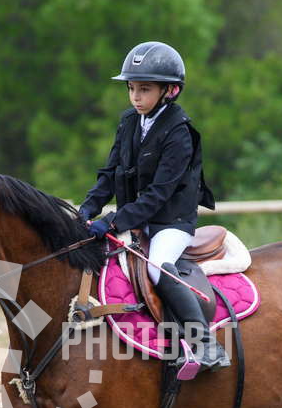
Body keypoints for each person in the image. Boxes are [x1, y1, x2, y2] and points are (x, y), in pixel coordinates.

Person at [79, 40, 229, 371]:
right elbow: (110, 173)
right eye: (131, 88)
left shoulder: (180, 132)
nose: (135, 97)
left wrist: (113, 221)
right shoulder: (129, 122)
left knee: (157, 266)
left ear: (170, 91)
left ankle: (206, 345)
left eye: (144, 89)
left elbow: (159, 193)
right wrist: (88, 208)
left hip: (170, 222)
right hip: (136, 220)